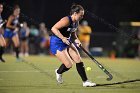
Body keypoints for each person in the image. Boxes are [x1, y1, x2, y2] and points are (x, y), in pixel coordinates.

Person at [50, 4, 96, 87]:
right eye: (80, 15)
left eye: (83, 15)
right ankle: (58, 72)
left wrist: (77, 40)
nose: (82, 17)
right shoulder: (66, 20)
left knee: (78, 59)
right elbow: (53, 28)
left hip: (67, 41)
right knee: (69, 65)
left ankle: (85, 82)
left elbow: (73, 35)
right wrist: (62, 38)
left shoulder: (76, 22)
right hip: (57, 42)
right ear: (75, 13)